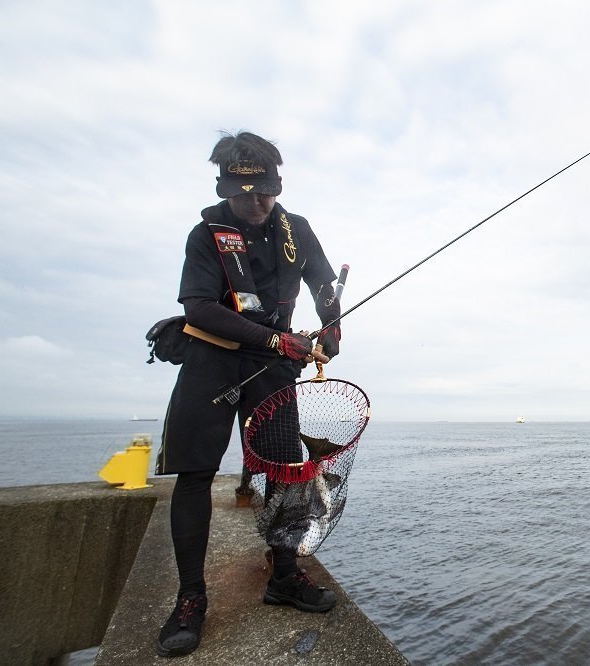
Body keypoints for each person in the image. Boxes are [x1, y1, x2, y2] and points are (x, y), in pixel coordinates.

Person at [153, 131, 342, 658]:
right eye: (244, 193)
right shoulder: (204, 234)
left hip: (273, 367)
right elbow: (197, 306)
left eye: (266, 192)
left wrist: (332, 327)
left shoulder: (296, 229)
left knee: (287, 471)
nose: (257, 203)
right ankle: (191, 597)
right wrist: (275, 338)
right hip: (211, 361)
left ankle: (284, 576)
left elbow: (325, 283)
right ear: (223, 188)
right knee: (194, 474)